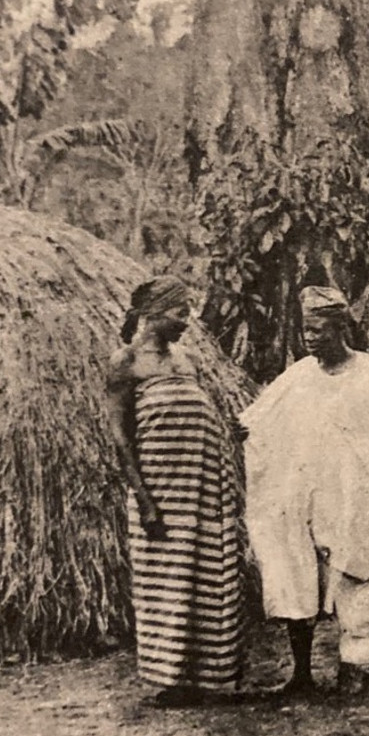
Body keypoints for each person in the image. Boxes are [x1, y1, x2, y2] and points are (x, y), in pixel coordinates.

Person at [239, 286, 369, 701]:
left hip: (354, 497)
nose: (310, 338)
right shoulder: (299, 376)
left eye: (319, 330)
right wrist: (248, 432)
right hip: (307, 496)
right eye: (306, 330)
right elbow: (263, 419)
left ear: (341, 328)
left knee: (357, 570)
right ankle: (301, 672)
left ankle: (353, 664)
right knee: (295, 569)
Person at [104, 275, 244, 707]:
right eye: (180, 312)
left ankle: (208, 676)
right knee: (166, 581)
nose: (188, 320)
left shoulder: (186, 359)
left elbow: (198, 413)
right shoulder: (126, 363)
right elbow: (120, 436)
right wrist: (145, 500)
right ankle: (172, 679)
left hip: (201, 487)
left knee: (207, 575)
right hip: (162, 494)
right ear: (153, 314)